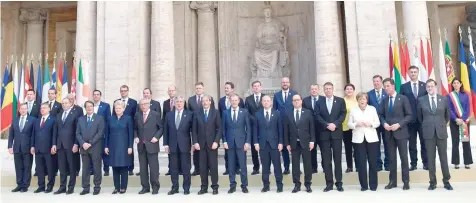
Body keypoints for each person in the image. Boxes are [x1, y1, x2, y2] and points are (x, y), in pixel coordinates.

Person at [417, 79, 453, 190]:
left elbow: (447, 116)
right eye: (428, 86)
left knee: (443, 158)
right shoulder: (421, 100)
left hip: (441, 132)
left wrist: (440, 125)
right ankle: (432, 182)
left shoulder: (444, 99)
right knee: (430, 159)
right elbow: (420, 117)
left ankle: (446, 181)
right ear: (426, 88)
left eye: (432, 86)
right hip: (428, 134)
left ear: (435, 87)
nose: (430, 88)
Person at [379, 78, 412, 190]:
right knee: (392, 158)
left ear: (393, 86)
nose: (386, 88)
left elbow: (409, 115)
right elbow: (381, 115)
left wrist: (399, 124)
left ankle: (406, 181)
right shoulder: (384, 100)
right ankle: (392, 181)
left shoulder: (403, 98)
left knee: (404, 158)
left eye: (388, 86)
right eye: (385, 87)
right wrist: (384, 124)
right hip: (389, 134)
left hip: (401, 133)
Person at [316, 82, 346, 192]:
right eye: (326, 89)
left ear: (333, 89)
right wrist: (326, 125)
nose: (328, 90)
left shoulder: (340, 101)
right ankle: (329, 183)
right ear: (324, 90)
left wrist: (335, 124)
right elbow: (317, 115)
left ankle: (339, 183)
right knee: (326, 160)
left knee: (337, 159)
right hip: (324, 134)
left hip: (336, 133)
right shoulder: (319, 102)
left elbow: (343, 114)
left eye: (330, 88)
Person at [347, 92, 380, 191]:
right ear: (357, 100)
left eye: (364, 99)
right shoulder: (353, 110)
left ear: (367, 100)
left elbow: (377, 123)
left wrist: (370, 124)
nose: (362, 101)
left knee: (373, 162)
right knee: (361, 163)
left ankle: (373, 185)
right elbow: (349, 124)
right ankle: (364, 186)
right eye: (360, 99)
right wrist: (356, 124)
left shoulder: (372, 109)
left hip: (372, 139)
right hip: (358, 139)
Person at [254, 95, 285, 193]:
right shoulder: (257, 114)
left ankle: (279, 185)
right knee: (265, 166)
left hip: (275, 144)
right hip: (262, 144)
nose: (266, 102)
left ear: (271, 102)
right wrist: (256, 143)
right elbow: (255, 130)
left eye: (268, 101)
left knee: (277, 166)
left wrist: (281, 142)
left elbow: (280, 129)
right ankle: (266, 185)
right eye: (264, 101)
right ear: (262, 102)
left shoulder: (277, 113)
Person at [399, 66, 428, 170]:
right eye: (411, 72)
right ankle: (413, 164)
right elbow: (401, 103)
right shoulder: (404, 87)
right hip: (410, 121)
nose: (413, 74)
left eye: (415, 72)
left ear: (418, 73)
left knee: (424, 143)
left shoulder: (424, 86)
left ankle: (426, 163)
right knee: (412, 144)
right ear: (408, 73)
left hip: (422, 120)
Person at [163, 96, 194, 195]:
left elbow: (193, 131)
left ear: (184, 102)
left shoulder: (189, 114)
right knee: (173, 168)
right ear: (174, 103)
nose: (179, 103)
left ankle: (186, 188)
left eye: (181, 101)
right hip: (172, 145)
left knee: (186, 168)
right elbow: (166, 131)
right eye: (177, 102)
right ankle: (175, 187)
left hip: (185, 145)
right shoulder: (169, 115)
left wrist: (193, 144)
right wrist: (166, 144)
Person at [192, 94, 222, 195]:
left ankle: (214, 186)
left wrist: (216, 142)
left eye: (207, 101)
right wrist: (195, 142)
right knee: (202, 167)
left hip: (212, 144)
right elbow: (194, 130)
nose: (205, 102)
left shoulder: (215, 112)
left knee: (213, 166)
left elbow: (219, 129)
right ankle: (204, 187)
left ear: (210, 102)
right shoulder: (197, 113)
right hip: (201, 145)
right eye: (203, 101)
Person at [222, 93, 251, 194]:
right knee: (231, 165)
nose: (234, 102)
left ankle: (244, 185)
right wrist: (224, 141)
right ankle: (232, 185)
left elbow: (248, 128)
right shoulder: (225, 113)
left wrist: (247, 142)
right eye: (232, 100)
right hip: (229, 143)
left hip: (241, 143)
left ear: (239, 101)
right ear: (230, 101)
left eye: (235, 100)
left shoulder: (244, 112)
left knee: (243, 166)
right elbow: (223, 129)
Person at [76, 101, 105, 195]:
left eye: (91, 106)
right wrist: (83, 143)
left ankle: (97, 187)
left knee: (97, 168)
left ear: (93, 107)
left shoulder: (99, 118)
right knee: (85, 169)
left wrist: (90, 143)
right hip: (84, 148)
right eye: (87, 106)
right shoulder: (81, 119)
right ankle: (85, 187)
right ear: (85, 108)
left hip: (95, 147)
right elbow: (78, 133)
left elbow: (100, 133)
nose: (89, 108)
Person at [105, 100, 133, 194]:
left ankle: (123, 187)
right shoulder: (110, 119)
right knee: (115, 167)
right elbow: (107, 134)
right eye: (116, 108)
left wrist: (130, 146)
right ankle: (116, 187)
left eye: (120, 108)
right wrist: (106, 146)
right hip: (112, 146)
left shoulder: (128, 118)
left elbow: (131, 134)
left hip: (124, 146)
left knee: (124, 167)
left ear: (123, 109)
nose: (118, 109)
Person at [135, 98, 163, 195]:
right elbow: (135, 129)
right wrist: (135, 137)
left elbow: (161, 128)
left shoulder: (155, 115)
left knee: (154, 168)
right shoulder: (137, 115)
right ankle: (145, 187)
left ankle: (155, 187)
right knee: (142, 168)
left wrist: (157, 137)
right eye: (141, 104)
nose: (143, 106)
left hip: (152, 145)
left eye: (145, 104)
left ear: (149, 105)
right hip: (141, 146)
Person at [188, 82, 215, 176]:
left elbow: (213, 112)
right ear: (195, 89)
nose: (198, 89)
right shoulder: (191, 100)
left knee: (208, 151)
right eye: (197, 88)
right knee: (196, 150)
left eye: (200, 88)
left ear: (203, 89)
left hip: (208, 127)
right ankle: (197, 169)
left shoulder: (209, 98)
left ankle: (209, 169)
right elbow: (189, 113)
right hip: (196, 127)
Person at [53, 98, 80, 195]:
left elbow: (77, 131)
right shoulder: (58, 115)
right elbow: (55, 131)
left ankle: (71, 187)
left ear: (70, 104)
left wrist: (76, 144)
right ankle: (62, 187)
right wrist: (54, 144)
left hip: (71, 145)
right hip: (60, 145)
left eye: (66, 103)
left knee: (72, 167)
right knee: (62, 167)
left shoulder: (75, 115)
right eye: (63, 103)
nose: (64, 105)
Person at [8, 103, 36, 193]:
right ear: (19, 110)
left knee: (27, 167)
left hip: (27, 148)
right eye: (21, 109)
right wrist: (9, 146)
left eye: (25, 108)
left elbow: (33, 135)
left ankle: (25, 185)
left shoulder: (33, 120)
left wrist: (32, 146)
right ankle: (19, 184)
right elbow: (11, 134)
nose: (23, 110)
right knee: (18, 167)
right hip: (17, 148)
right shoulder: (15, 120)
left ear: (27, 109)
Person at [273, 77, 297, 174]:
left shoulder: (294, 94)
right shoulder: (276, 95)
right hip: (281, 124)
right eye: (283, 82)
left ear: (289, 83)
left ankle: (296, 167)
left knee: (294, 146)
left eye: (286, 82)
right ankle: (286, 167)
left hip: (293, 123)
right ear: (281, 83)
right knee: (284, 147)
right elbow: (274, 110)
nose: (285, 84)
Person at [219, 82, 244, 175]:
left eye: (228, 88)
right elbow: (220, 115)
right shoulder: (221, 101)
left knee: (238, 152)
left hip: (237, 130)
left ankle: (237, 168)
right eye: (225, 88)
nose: (226, 89)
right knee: (227, 152)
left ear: (232, 89)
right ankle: (228, 169)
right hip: (227, 128)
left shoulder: (239, 100)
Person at [448, 78, 473, 169]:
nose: (456, 84)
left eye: (457, 83)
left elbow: (467, 109)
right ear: (452, 85)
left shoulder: (465, 95)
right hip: (454, 122)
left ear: (461, 84)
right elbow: (449, 109)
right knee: (455, 142)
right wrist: (456, 119)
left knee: (465, 142)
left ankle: (467, 162)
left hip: (464, 122)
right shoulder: (449, 96)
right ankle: (456, 163)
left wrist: (462, 119)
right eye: (454, 83)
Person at [32, 102, 56, 193]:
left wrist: (54, 145)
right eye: (41, 108)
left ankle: (50, 186)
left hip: (48, 148)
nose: (42, 109)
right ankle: (41, 186)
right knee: (39, 168)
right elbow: (34, 134)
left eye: (44, 108)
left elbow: (54, 134)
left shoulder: (53, 120)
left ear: (49, 109)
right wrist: (32, 146)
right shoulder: (37, 120)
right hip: (38, 148)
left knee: (50, 168)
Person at [114, 85, 138, 175]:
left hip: (129, 129)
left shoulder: (133, 102)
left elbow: (135, 116)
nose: (123, 92)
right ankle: (120, 165)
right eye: (121, 91)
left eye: (125, 90)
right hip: (118, 129)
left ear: (128, 91)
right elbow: (114, 115)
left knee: (129, 148)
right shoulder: (116, 102)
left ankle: (130, 168)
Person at [367, 75, 389, 171]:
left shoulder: (387, 92)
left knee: (387, 143)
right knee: (376, 145)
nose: (376, 83)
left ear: (381, 82)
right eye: (374, 81)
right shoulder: (369, 94)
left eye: (377, 81)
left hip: (386, 123)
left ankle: (388, 164)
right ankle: (378, 164)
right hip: (374, 124)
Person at [302, 84, 325, 174]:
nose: (314, 90)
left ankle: (325, 167)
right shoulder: (305, 100)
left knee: (324, 149)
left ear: (318, 90)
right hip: (310, 129)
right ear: (310, 90)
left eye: (315, 89)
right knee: (312, 149)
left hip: (322, 129)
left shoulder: (323, 99)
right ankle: (313, 168)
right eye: (312, 89)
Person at [163, 85, 184, 176]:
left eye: (172, 90)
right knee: (171, 153)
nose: (171, 92)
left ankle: (181, 169)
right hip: (171, 129)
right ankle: (171, 169)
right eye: (169, 91)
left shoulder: (180, 101)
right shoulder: (165, 103)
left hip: (180, 130)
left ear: (175, 91)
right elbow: (164, 116)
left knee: (180, 153)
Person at [245, 81, 264, 175]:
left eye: (258, 86)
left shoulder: (265, 98)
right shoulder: (248, 99)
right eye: (254, 86)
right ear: (252, 88)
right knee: (254, 149)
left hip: (264, 126)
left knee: (264, 148)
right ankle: (256, 167)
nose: (256, 88)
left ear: (261, 87)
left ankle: (265, 167)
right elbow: (246, 112)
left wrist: (260, 118)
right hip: (252, 126)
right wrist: (255, 119)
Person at [92, 90, 112, 176]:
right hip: (92, 132)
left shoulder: (105, 106)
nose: (96, 96)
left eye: (97, 94)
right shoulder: (90, 105)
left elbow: (108, 119)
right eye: (94, 95)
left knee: (104, 151)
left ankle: (106, 169)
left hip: (102, 132)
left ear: (100, 96)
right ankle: (92, 169)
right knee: (93, 152)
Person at [66, 93, 84, 177]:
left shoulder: (78, 109)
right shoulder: (63, 108)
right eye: (68, 99)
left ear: (74, 99)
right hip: (66, 136)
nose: (70, 100)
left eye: (71, 99)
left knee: (75, 153)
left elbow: (81, 122)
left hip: (75, 134)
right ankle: (68, 169)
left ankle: (76, 169)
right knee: (67, 154)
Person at [342, 84, 358, 173]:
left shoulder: (357, 100)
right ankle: (349, 166)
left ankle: (358, 166)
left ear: (353, 90)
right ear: (345, 91)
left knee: (357, 147)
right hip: (345, 127)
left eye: (351, 89)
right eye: (347, 89)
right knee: (348, 148)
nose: (349, 90)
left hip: (356, 127)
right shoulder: (342, 101)